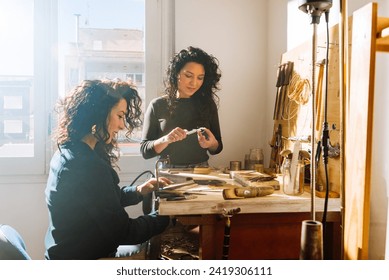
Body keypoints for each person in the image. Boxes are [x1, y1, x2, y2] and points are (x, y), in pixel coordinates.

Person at [44, 79, 171, 260]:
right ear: (98, 115)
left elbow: (103, 201)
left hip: (65, 253)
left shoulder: (69, 151)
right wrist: (166, 216)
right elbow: (125, 232)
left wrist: (139, 191)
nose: (122, 126)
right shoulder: (86, 166)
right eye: (119, 116)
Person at [140, 46, 223, 168]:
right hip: (167, 174)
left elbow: (217, 147)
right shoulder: (157, 105)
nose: (194, 83)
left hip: (201, 172)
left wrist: (212, 143)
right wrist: (166, 139)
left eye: (200, 78)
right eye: (188, 76)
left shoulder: (208, 104)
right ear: (176, 73)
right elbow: (145, 151)